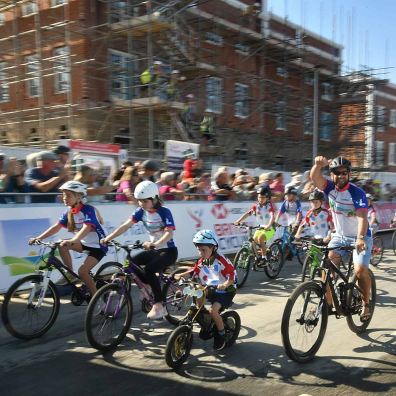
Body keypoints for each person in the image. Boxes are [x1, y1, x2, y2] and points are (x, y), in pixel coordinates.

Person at [101, 181, 178, 320]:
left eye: (144, 201)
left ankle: (159, 306)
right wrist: (108, 237)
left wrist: (156, 243)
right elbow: (125, 226)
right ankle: (148, 286)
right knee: (129, 262)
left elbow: (169, 233)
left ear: (154, 198)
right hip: (154, 249)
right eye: (139, 201)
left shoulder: (164, 212)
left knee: (149, 269)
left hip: (168, 250)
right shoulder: (141, 211)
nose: (141, 204)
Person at [310, 155, 373, 322]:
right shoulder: (329, 188)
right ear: (332, 175)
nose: (341, 176)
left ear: (349, 174)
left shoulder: (357, 193)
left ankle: (366, 302)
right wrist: (318, 165)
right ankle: (327, 304)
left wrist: (360, 238)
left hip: (360, 236)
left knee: (360, 271)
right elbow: (315, 178)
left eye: (344, 173)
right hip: (340, 236)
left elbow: (362, 218)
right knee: (328, 268)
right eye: (337, 173)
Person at [28, 181, 107, 296]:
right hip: (85, 243)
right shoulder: (69, 212)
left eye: (68, 195)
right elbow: (56, 227)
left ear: (79, 197)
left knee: (82, 272)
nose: (64, 198)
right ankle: (69, 273)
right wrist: (38, 238)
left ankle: (96, 297)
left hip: (99, 245)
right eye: (63, 195)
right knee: (61, 245)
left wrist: (74, 240)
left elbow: (87, 227)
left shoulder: (89, 210)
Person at [174, 229, 236, 350]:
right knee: (197, 297)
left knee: (213, 311)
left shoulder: (221, 261)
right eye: (199, 249)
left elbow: (232, 276)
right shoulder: (203, 260)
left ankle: (221, 334)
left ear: (213, 248)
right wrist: (183, 275)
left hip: (226, 291)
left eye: (204, 250)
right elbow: (195, 271)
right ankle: (205, 320)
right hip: (210, 287)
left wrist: (224, 284)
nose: (200, 252)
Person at [234, 185, 275, 261]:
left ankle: (264, 257)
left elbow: (272, 216)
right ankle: (259, 255)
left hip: (270, 228)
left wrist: (269, 225)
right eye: (259, 197)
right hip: (260, 227)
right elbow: (247, 214)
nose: (260, 199)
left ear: (268, 198)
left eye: (263, 197)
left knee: (260, 238)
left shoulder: (269, 206)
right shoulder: (256, 206)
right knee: (253, 241)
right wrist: (238, 221)